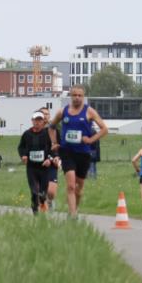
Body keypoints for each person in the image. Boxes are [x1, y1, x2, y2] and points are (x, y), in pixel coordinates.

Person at [48, 85, 108, 216]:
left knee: (79, 189)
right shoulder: (63, 111)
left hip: (83, 153)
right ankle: (73, 216)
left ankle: (75, 209)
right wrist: (54, 142)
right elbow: (51, 127)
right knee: (70, 186)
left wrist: (91, 140)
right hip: (67, 152)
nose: (77, 98)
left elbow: (104, 129)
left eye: (80, 95)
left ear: (83, 97)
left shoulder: (89, 111)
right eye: (74, 95)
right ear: (71, 96)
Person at [18, 111, 56, 215]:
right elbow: (21, 147)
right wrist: (23, 156)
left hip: (44, 168)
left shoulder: (47, 134)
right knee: (34, 192)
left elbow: (53, 149)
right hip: (31, 168)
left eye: (40, 120)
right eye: (35, 120)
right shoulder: (27, 134)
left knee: (42, 194)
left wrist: (49, 159)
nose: (37, 122)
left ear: (43, 121)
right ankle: (35, 212)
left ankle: (42, 203)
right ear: (32, 121)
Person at [40, 107, 60, 210]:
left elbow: (58, 146)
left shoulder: (54, 131)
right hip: (39, 164)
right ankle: (42, 214)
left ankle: (50, 201)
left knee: (51, 192)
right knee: (42, 191)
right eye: (43, 114)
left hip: (52, 164)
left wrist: (57, 157)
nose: (45, 116)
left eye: (47, 114)